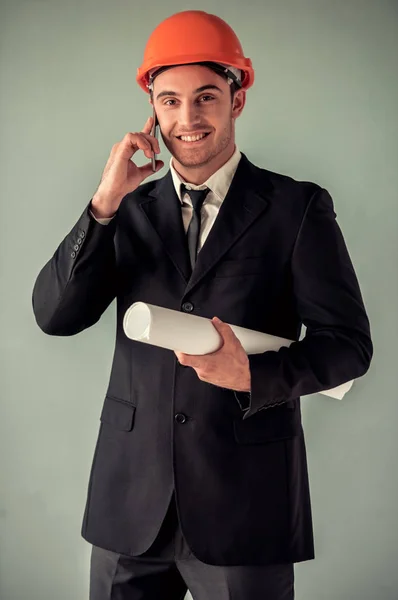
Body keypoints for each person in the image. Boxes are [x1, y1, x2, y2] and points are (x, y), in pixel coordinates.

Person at [32, 10, 373, 600]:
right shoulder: (127, 214)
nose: (186, 119)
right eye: (169, 101)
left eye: (205, 98)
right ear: (152, 109)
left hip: (244, 504)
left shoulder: (296, 209)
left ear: (236, 100)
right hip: (129, 506)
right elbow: (55, 316)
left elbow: (348, 347)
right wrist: (105, 201)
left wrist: (254, 373)